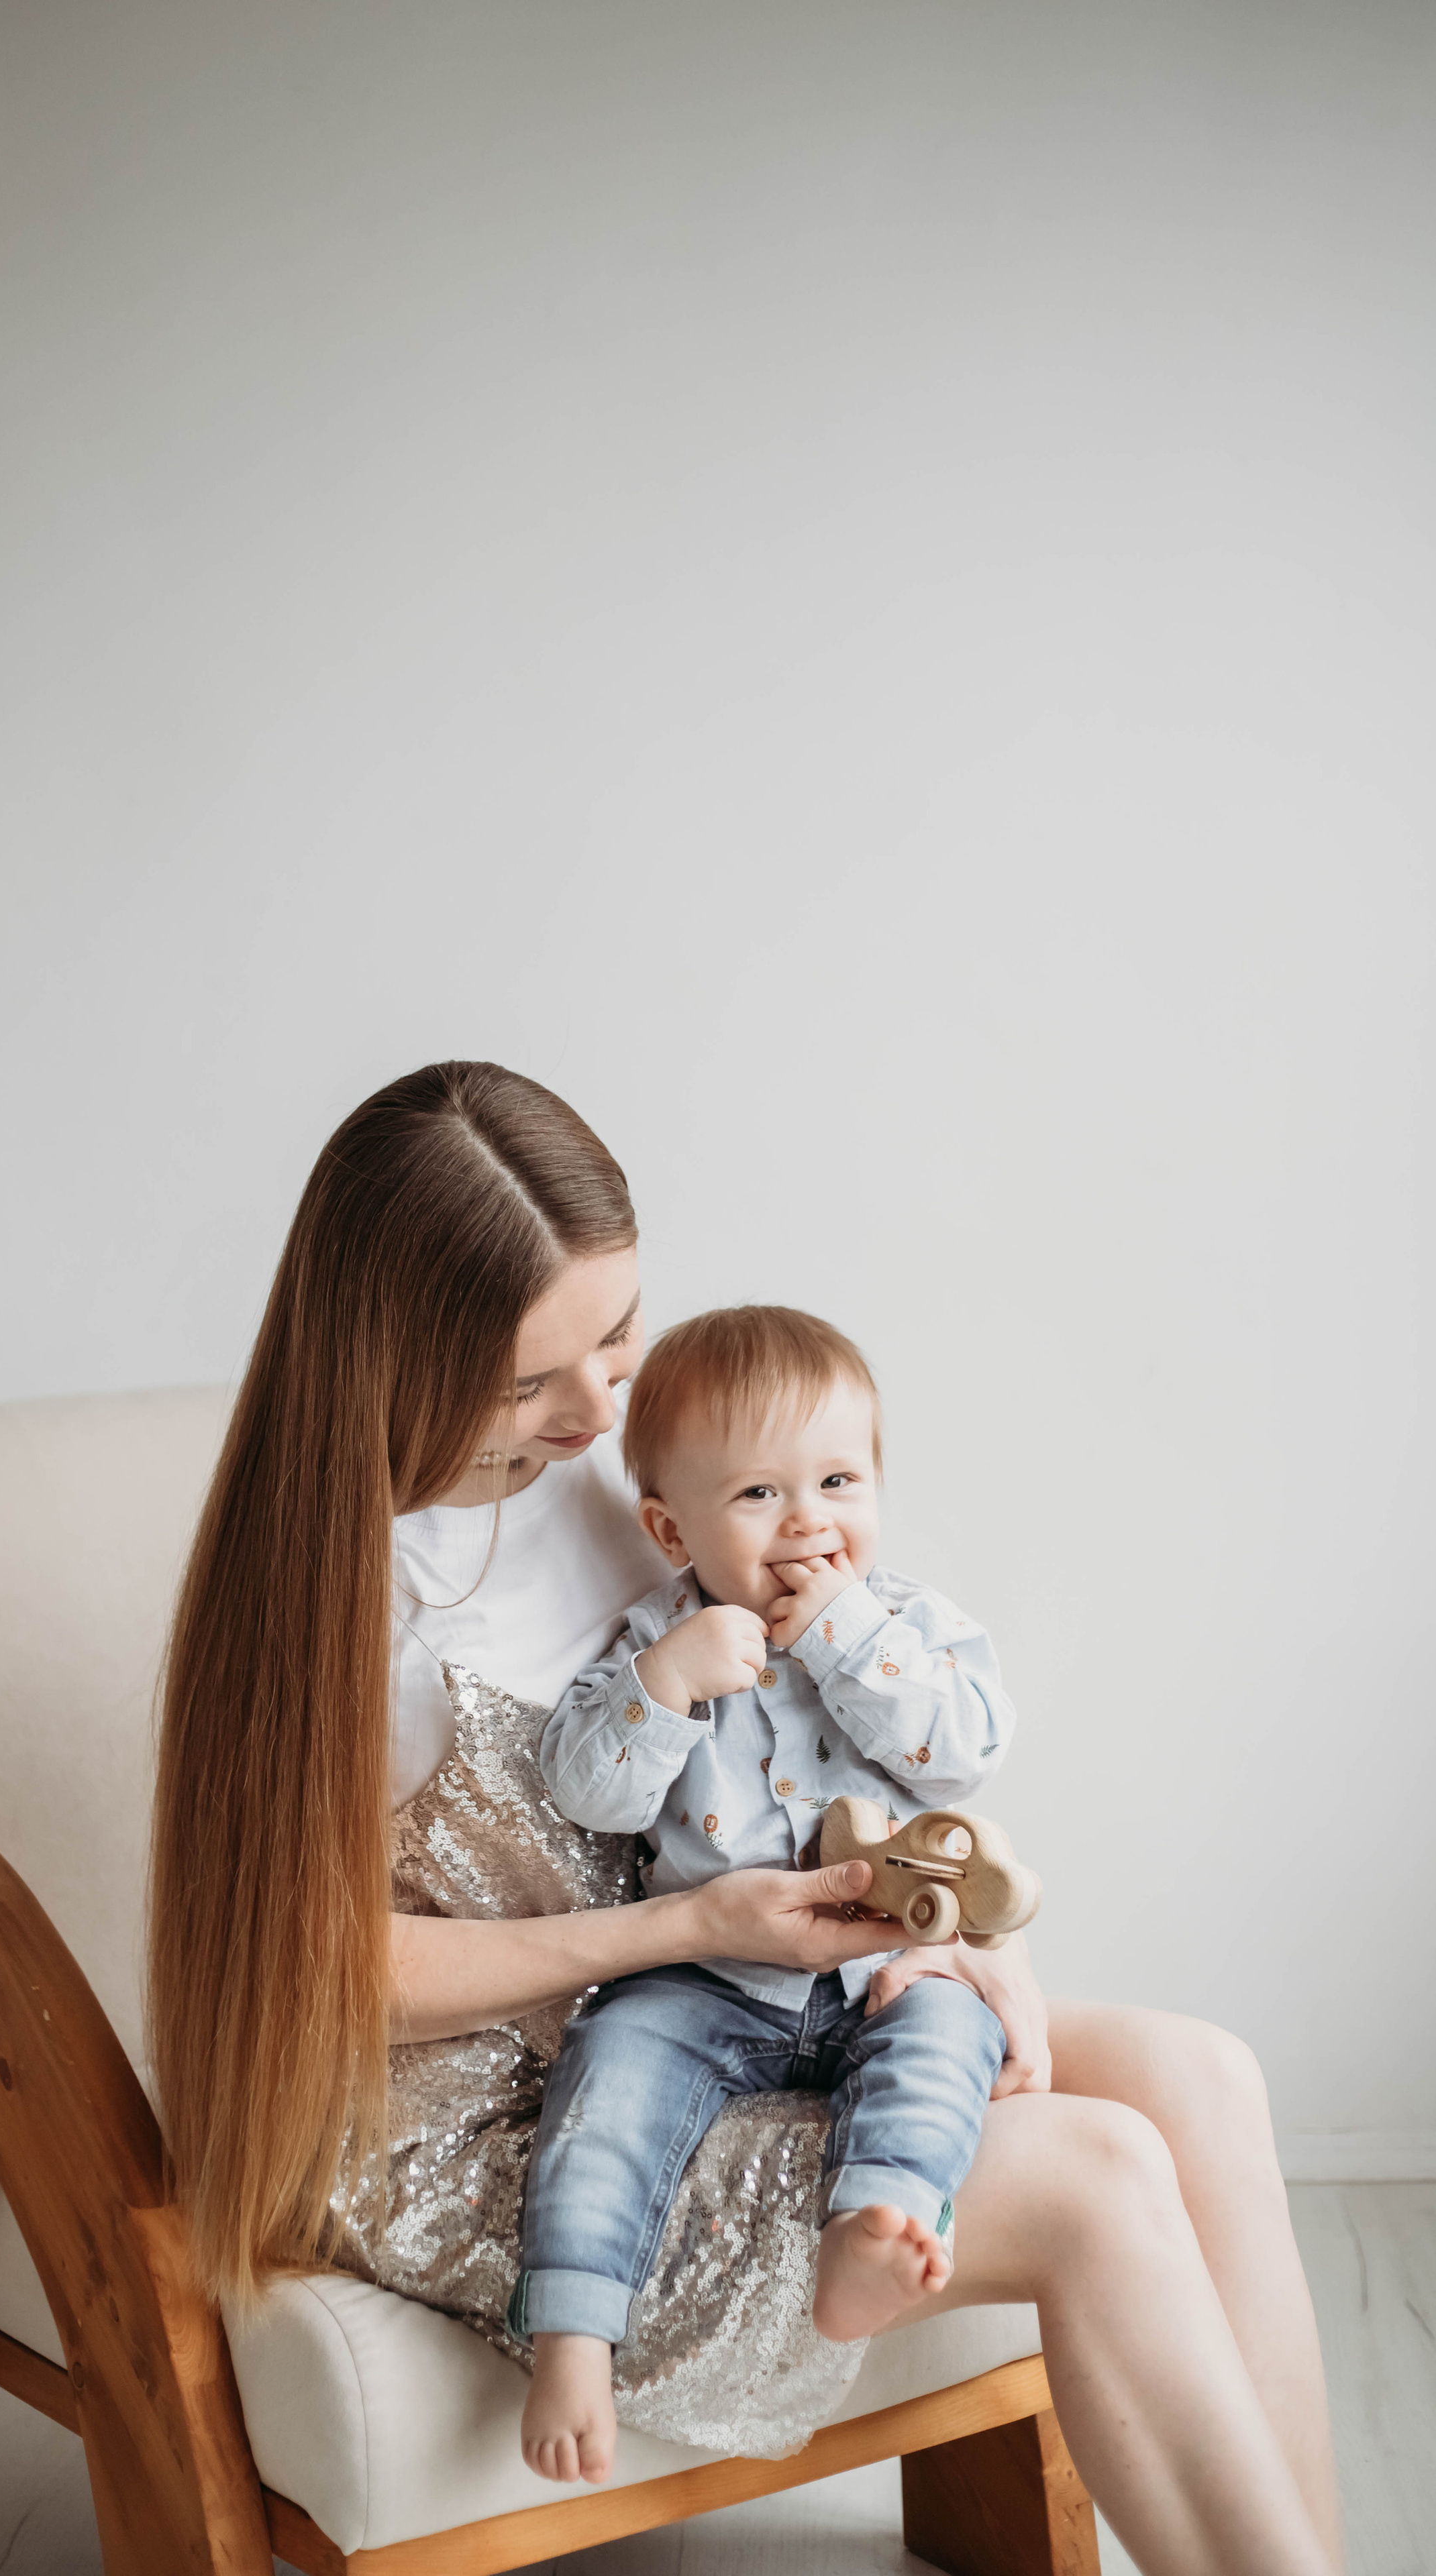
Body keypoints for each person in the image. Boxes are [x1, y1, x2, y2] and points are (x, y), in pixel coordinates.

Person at [150, 1059, 1345, 2576]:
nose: (601, 1405)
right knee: (1098, 2176)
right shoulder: (334, 1603)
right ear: (399, 1359)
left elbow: (816, 1762)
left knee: (1201, 2077)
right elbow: (316, 1978)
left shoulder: (610, 1486)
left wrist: (964, 1945)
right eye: (532, 1380)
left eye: (619, 1335)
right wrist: (688, 1927)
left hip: (729, 2002)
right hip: (498, 2123)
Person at [518, 1305, 1015, 2481]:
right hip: (705, 1984)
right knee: (608, 2079)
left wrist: (847, 1638)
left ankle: (879, 2228)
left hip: (883, 1967)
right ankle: (574, 2330)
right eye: (757, 1497)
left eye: (839, 1480)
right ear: (669, 1525)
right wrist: (665, 1685)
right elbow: (589, 1795)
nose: (809, 1523)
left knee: (949, 2037)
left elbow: (964, 1750)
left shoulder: (910, 1629)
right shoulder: (658, 1637)